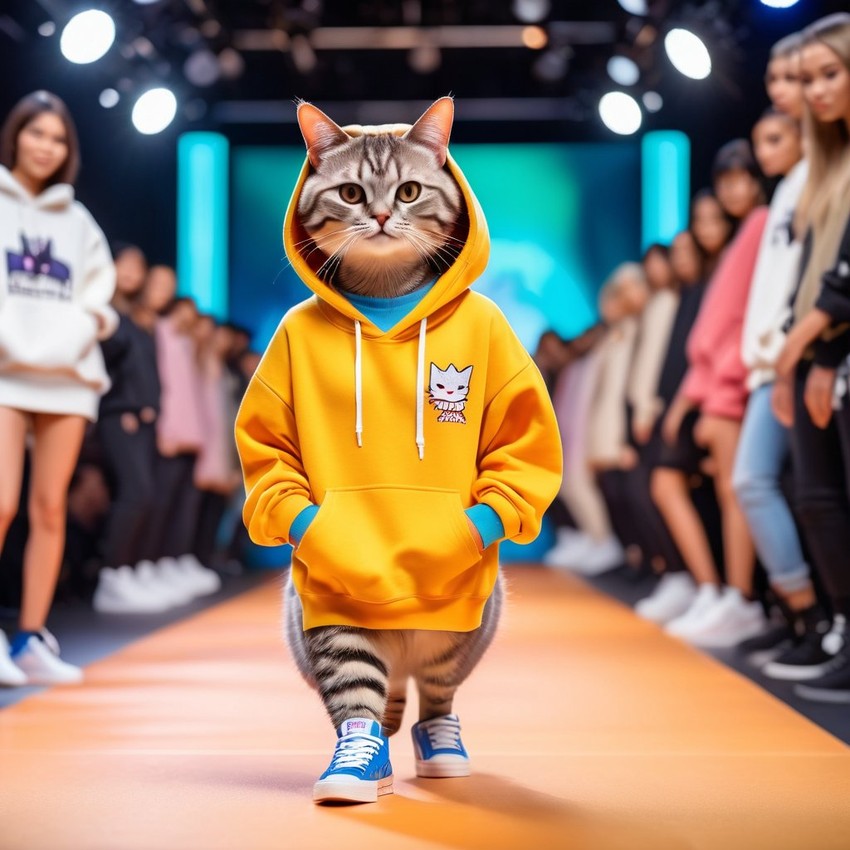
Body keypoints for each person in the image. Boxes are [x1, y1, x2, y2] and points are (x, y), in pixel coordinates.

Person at [0, 91, 117, 685]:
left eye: (57, 138)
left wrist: (81, 325)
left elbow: (101, 292)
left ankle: (28, 638)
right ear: (15, 135)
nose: (45, 146)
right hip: (3, 373)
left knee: (51, 509)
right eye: (35, 133)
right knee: (1, 503)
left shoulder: (76, 220)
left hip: (68, 376)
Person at [733, 41, 821, 667]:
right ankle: (804, 617)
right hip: (774, 359)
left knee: (767, 484)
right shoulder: (789, 189)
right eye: (778, 76)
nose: (788, 86)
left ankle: (812, 616)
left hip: (798, 354)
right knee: (791, 487)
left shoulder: (819, 175)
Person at [770, 13, 850, 700]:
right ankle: (843, 634)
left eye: (830, 74)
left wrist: (806, 353)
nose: (815, 91)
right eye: (808, 78)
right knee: (820, 498)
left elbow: (844, 278)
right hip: (824, 353)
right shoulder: (824, 169)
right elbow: (812, 280)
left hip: (831, 352)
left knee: (826, 499)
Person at [91, 244, 167, 614]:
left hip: (141, 418)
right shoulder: (103, 313)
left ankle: (126, 572)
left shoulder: (137, 319)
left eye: (139, 265)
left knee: (145, 496)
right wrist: (123, 406)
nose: (133, 271)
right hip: (117, 415)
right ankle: (110, 575)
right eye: (126, 264)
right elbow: (101, 366)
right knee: (135, 493)